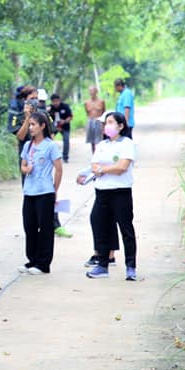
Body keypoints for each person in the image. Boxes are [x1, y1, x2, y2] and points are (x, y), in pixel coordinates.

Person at [78, 111, 138, 281]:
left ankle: (131, 266)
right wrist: (100, 169)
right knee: (99, 224)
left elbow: (122, 168)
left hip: (120, 192)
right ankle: (102, 264)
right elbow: (94, 165)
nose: (107, 126)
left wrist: (103, 169)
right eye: (106, 123)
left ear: (121, 126)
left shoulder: (127, 144)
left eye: (111, 122)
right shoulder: (102, 144)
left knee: (126, 229)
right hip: (102, 192)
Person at [16, 86, 71, 238]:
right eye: (31, 98)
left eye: (36, 98)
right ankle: (33, 225)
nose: (35, 101)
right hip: (27, 160)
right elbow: (20, 136)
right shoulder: (18, 115)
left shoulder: (45, 113)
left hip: (44, 159)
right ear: (24, 99)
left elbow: (51, 133)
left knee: (48, 192)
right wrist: (27, 119)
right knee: (30, 193)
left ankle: (55, 224)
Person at [17, 112, 62, 275]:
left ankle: (43, 263)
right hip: (29, 191)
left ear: (43, 126)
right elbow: (22, 165)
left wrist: (55, 189)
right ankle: (32, 260)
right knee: (29, 226)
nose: (30, 128)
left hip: (45, 191)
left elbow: (59, 169)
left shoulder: (50, 146)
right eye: (29, 125)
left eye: (33, 125)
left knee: (45, 229)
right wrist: (25, 169)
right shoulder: (28, 145)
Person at [48, 93, 73, 163]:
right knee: (49, 140)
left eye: (57, 101)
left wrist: (64, 121)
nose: (55, 103)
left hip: (65, 126)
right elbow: (47, 119)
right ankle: (49, 156)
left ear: (59, 100)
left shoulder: (65, 106)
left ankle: (65, 157)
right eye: (54, 101)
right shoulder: (50, 108)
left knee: (66, 140)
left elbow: (70, 116)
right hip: (54, 127)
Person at [84, 86, 106, 152]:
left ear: (96, 91)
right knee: (92, 140)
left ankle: (101, 153)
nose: (91, 92)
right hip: (90, 120)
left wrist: (104, 124)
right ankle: (94, 154)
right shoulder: (86, 102)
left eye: (93, 90)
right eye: (90, 91)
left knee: (100, 139)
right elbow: (87, 112)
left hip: (99, 120)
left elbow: (104, 112)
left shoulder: (101, 101)